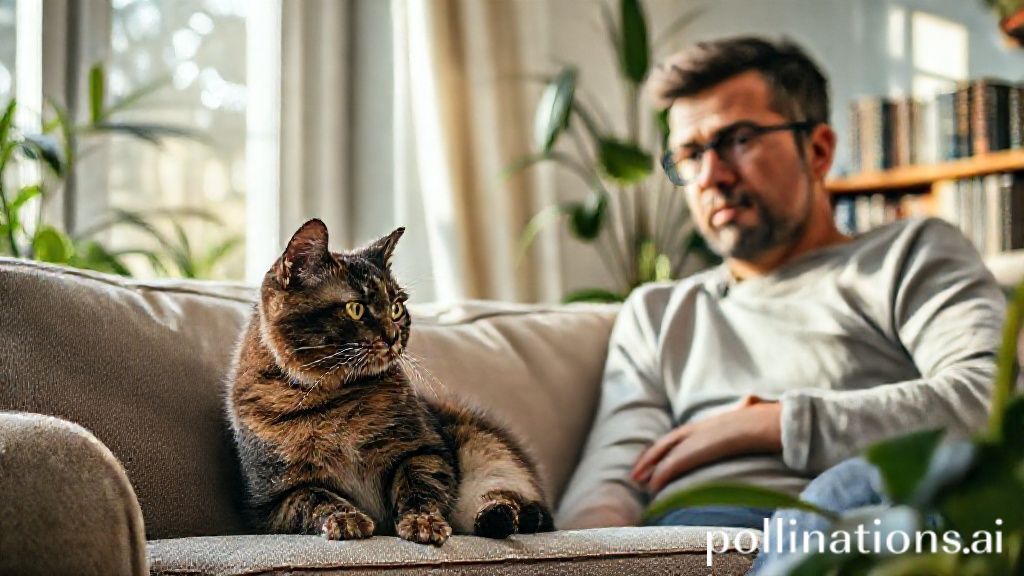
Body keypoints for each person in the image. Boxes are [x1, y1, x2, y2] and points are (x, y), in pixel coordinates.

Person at [554, 36, 1006, 571]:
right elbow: (610, 485)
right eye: (691, 154)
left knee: (850, 486)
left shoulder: (910, 253)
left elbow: (988, 405)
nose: (712, 177)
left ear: (817, 151)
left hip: (856, 517)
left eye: (737, 140)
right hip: (697, 539)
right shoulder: (656, 314)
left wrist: (777, 423)